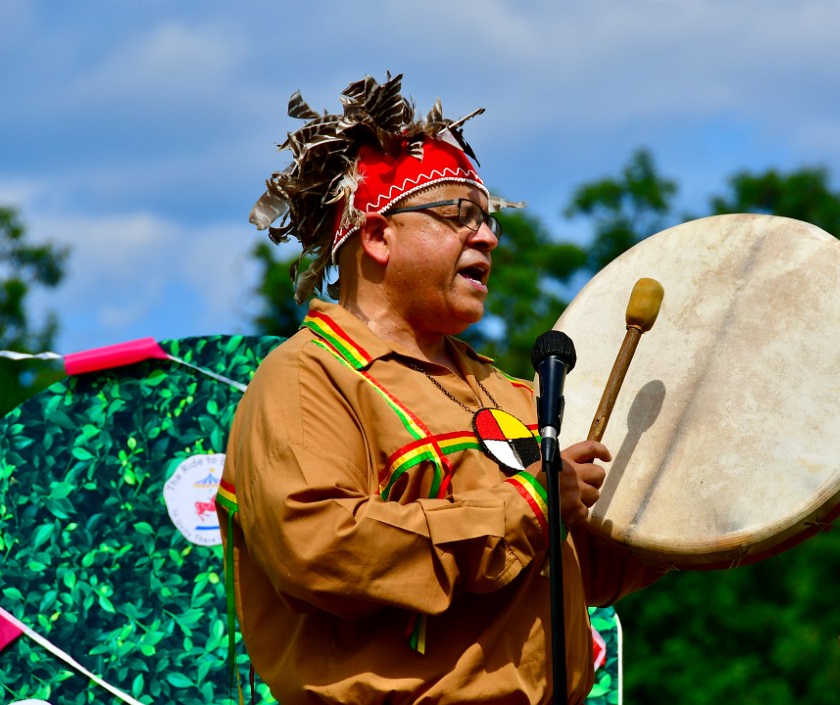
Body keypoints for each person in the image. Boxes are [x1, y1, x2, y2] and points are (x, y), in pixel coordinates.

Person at [217, 73, 666, 705]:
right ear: (377, 236)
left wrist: (697, 501)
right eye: (459, 217)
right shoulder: (306, 377)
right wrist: (526, 508)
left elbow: (577, 571)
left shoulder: (506, 391)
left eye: (489, 223)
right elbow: (320, 550)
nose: (486, 237)